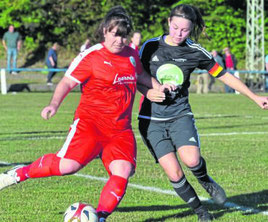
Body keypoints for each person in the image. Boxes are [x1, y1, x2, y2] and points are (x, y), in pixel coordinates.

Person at [0, 6, 172, 222]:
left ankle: (99, 217)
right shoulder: (91, 56)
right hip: (90, 124)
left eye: (123, 35)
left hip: (120, 129)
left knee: (122, 170)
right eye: (115, 34)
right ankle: (17, 174)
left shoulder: (130, 55)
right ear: (104, 31)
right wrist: (53, 104)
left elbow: (142, 77)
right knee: (68, 166)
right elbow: (67, 81)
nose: (119, 40)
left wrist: (159, 87)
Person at [138, 4, 268, 222]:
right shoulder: (149, 47)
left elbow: (224, 75)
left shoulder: (195, 51)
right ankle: (201, 212)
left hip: (180, 115)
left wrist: (254, 97)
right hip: (151, 120)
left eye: (185, 30)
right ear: (169, 22)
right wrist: (148, 92)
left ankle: (205, 180)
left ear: (191, 29)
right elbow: (136, 76)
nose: (179, 34)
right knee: (174, 174)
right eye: (176, 27)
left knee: (191, 160)